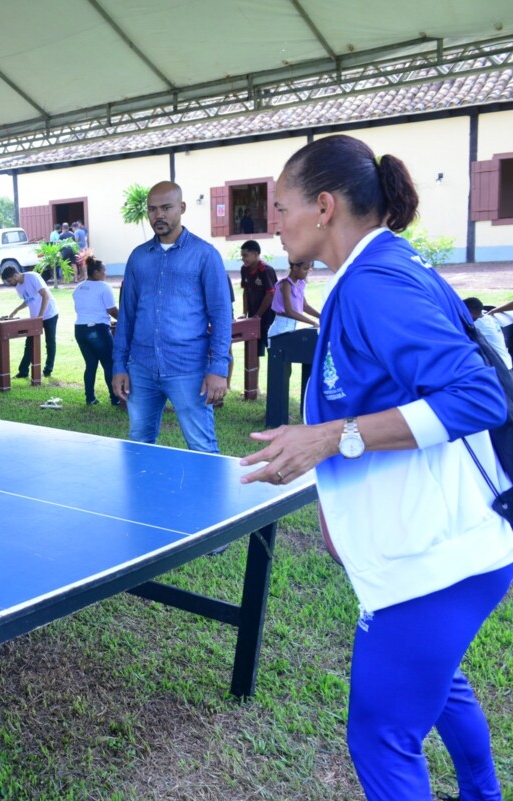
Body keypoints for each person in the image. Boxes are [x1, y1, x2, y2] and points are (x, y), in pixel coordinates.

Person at [240, 134, 513, 801]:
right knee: (440, 683)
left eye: (282, 207)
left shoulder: (373, 282)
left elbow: (480, 395)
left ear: (325, 206)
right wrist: (317, 444)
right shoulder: (380, 269)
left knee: (380, 737)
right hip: (445, 551)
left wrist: (331, 437)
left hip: (436, 561)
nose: (274, 223)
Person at [112, 181, 231, 453]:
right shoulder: (138, 258)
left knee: (202, 447)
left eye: (166, 207)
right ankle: (142, 496)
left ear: (182, 208)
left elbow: (222, 316)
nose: (159, 215)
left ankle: (209, 496)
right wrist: (119, 365)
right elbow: (127, 316)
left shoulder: (205, 256)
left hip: (188, 368)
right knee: (139, 444)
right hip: (141, 368)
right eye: (152, 209)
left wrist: (218, 369)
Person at [72, 255, 118, 406]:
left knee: (90, 365)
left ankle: (90, 398)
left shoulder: (78, 288)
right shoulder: (104, 287)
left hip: (80, 329)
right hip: (97, 329)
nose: (105, 273)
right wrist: (126, 320)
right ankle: (115, 398)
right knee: (108, 364)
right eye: (104, 270)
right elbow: (112, 310)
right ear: (97, 272)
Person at [1, 265, 59, 379]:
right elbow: (28, 300)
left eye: (9, 280)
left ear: (15, 275)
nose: (9, 283)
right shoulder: (18, 286)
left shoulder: (32, 277)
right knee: (30, 343)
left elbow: (45, 295)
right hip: (35, 317)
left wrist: (40, 316)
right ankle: (23, 371)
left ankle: (48, 370)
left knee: (50, 342)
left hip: (50, 313)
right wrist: (16, 310)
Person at [239, 240, 277, 357]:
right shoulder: (244, 269)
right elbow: (246, 291)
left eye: (245, 255)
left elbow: (270, 294)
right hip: (253, 317)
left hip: (268, 318)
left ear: (255, 254)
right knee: (253, 353)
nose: (243, 259)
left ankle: (275, 375)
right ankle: (254, 375)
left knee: (273, 352)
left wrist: (258, 315)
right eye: (242, 256)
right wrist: (245, 312)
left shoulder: (266, 270)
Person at [267, 260, 320, 343]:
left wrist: (321, 316)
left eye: (309, 269)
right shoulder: (286, 284)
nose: (307, 272)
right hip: (281, 329)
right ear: (295, 267)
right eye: (305, 269)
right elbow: (290, 312)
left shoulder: (300, 284)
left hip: (292, 326)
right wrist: (312, 322)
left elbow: (305, 306)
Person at [463, 296, 512, 370]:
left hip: (499, 368)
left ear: (470, 314)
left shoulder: (478, 326)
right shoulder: (487, 318)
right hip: (506, 364)